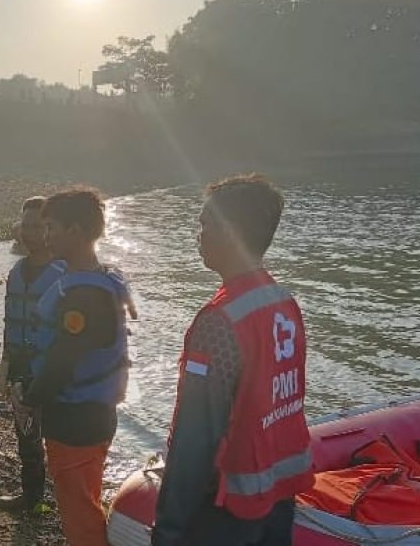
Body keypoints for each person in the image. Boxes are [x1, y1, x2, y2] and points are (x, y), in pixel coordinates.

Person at [152, 175, 314, 546]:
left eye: (205, 225)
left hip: (225, 508)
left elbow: (196, 438)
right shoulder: (283, 304)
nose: (198, 235)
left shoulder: (220, 323)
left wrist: (169, 528)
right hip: (276, 497)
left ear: (233, 231)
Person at [19, 188, 130, 546]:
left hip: (77, 420)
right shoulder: (95, 281)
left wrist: (29, 399)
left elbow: (63, 362)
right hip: (93, 414)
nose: (45, 235)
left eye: (52, 227)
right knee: (85, 500)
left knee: (79, 510)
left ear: (77, 232)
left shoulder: (84, 296)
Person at [0, 196, 65, 513]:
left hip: (53, 369)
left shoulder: (65, 274)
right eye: (26, 226)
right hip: (22, 367)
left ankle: (70, 501)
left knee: (61, 439)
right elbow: (11, 323)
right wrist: (4, 369)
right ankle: (32, 495)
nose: (30, 233)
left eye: (38, 226)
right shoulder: (16, 272)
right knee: (26, 436)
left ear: (51, 229)